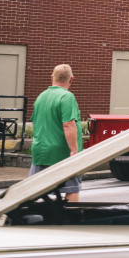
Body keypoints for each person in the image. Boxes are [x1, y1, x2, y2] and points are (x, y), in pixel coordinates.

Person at [30, 64, 83, 202]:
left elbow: (36, 123)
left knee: (33, 191)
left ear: (51, 78)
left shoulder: (41, 97)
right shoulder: (67, 97)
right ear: (71, 79)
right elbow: (68, 124)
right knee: (71, 189)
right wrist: (74, 151)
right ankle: (70, 221)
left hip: (40, 152)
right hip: (61, 153)